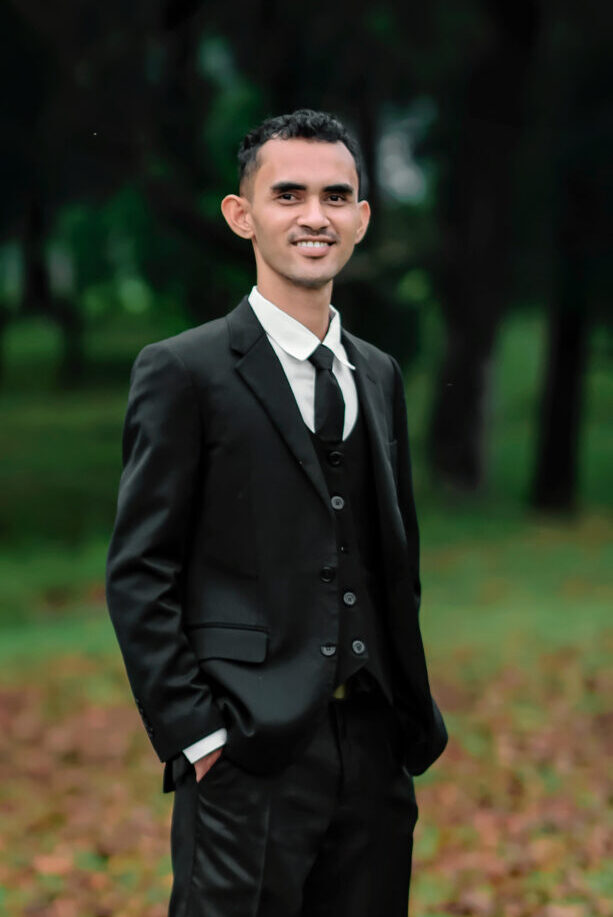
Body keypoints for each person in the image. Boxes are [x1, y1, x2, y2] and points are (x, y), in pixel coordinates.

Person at [106, 108, 448, 917]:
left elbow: (392, 558)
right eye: (287, 194)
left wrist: (402, 719)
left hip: (374, 748)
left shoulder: (378, 373)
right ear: (242, 214)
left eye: (336, 196)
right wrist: (200, 737)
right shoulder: (183, 371)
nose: (313, 216)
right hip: (245, 753)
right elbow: (139, 572)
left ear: (361, 217)